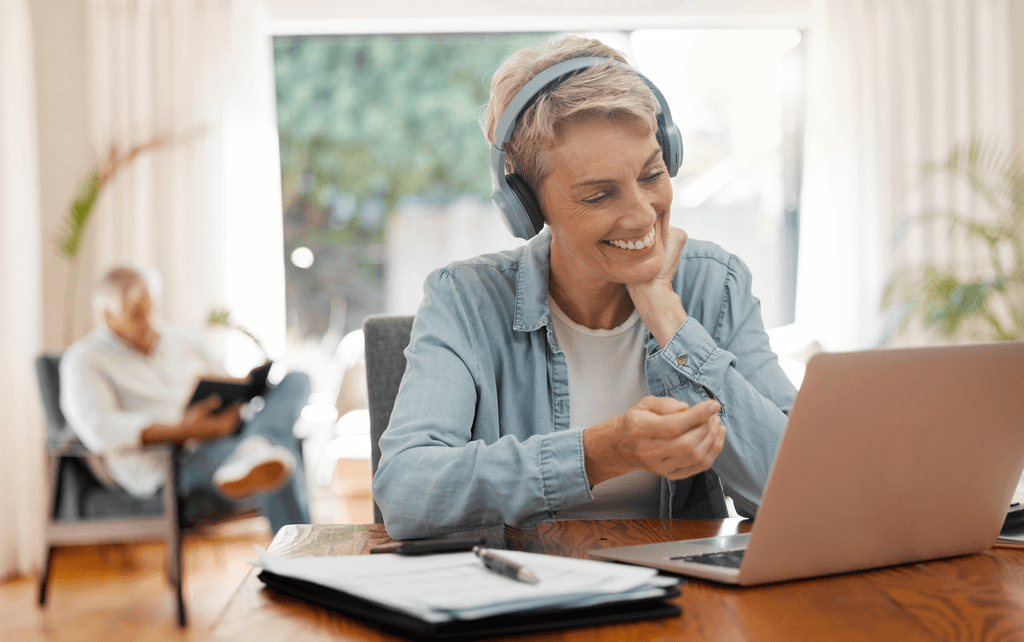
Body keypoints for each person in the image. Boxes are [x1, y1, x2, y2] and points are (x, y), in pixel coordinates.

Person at [372, 36, 796, 540]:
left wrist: (670, 319)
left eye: (652, 173)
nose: (642, 213)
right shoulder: (464, 300)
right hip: (527, 595)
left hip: (682, 602)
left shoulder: (714, 283)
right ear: (527, 207)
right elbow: (407, 493)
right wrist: (600, 453)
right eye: (598, 195)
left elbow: (797, 490)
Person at [60, 266, 310, 534]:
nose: (149, 322)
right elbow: (101, 430)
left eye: (152, 309)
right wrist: (187, 430)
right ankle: (302, 562)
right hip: (174, 462)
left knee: (297, 380)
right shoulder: (84, 360)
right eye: (136, 315)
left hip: (226, 435)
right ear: (107, 316)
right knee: (276, 456)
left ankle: (256, 444)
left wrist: (239, 396)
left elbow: (224, 382)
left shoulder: (183, 339)